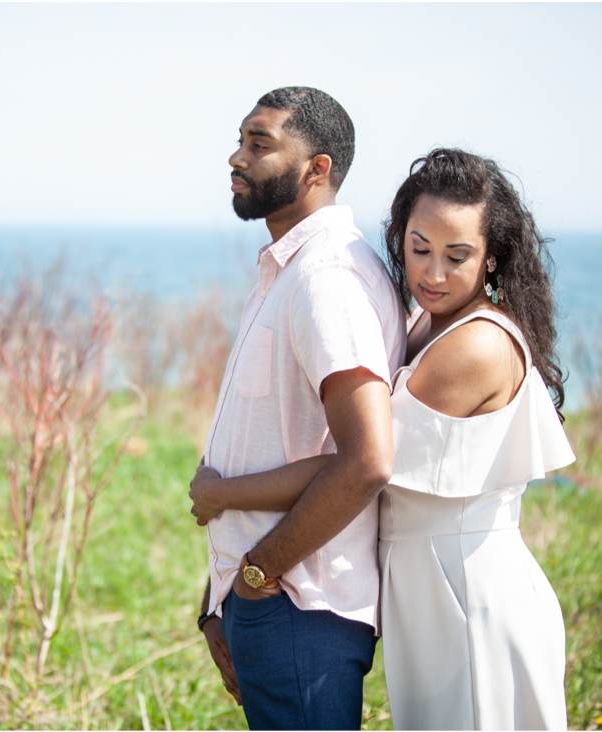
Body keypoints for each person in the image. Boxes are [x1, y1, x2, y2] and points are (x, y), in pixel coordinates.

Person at [191, 148, 574, 730]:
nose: (432, 274)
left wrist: (224, 497)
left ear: (492, 260)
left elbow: (362, 463)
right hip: (428, 591)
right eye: (419, 249)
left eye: (458, 256)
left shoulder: (476, 346)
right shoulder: (424, 325)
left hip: (470, 593)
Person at [192, 86, 406, 730]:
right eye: (240, 139)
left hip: (298, 604)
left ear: (319, 169)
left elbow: (367, 460)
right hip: (269, 600)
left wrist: (258, 575)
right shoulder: (292, 270)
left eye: (260, 144)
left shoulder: (327, 281)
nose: (237, 156)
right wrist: (222, 596)